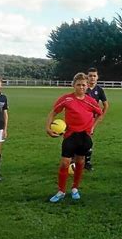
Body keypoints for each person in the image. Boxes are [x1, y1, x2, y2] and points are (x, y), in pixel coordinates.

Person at [46, 72, 102, 202]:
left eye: (83, 85)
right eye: (78, 85)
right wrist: (48, 128)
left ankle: (75, 188)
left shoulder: (91, 101)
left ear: (87, 86)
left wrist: (92, 126)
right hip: (70, 136)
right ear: (73, 85)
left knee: (80, 161)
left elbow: (100, 113)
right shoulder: (66, 99)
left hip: (84, 137)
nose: (81, 87)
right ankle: (61, 191)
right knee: (65, 163)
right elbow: (53, 112)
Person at [85, 67, 109, 170]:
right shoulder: (83, 87)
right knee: (76, 139)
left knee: (88, 141)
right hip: (80, 118)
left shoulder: (99, 90)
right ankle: (73, 161)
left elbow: (106, 105)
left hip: (91, 120)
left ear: (97, 77)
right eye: (90, 76)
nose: (92, 78)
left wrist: (101, 116)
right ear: (87, 77)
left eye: (94, 76)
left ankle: (87, 162)